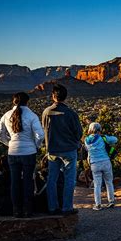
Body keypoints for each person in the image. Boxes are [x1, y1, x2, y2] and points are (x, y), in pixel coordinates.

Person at [0, 92, 44, 218]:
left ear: (14, 102)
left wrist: (10, 143)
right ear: (27, 102)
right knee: (28, 181)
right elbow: (40, 135)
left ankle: (16, 210)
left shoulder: (6, 115)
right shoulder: (32, 116)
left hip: (13, 153)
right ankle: (28, 210)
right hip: (29, 152)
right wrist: (36, 145)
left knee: (15, 181)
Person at [42, 84, 82, 215]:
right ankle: (67, 208)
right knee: (69, 180)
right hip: (69, 150)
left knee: (51, 179)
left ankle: (52, 207)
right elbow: (78, 133)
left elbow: (44, 129)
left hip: (52, 151)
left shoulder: (46, 112)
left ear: (53, 96)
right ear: (65, 97)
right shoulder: (71, 113)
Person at [85, 122, 118, 210]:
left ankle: (98, 204)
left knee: (97, 185)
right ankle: (111, 201)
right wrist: (106, 137)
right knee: (109, 182)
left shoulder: (86, 140)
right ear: (99, 129)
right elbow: (115, 139)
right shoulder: (102, 138)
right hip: (105, 161)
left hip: (94, 163)